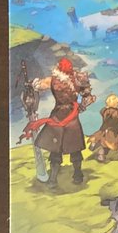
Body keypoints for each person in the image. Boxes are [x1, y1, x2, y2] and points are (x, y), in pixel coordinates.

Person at [21, 57, 95, 188]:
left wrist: (30, 84)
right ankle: (77, 175)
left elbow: (38, 85)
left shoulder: (53, 80)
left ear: (59, 68)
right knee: (74, 147)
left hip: (58, 115)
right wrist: (80, 106)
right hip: (72, 116)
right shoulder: (78, 79)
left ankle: (53, 179)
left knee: (56, 149)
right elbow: (87, 96)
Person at [87, 94, 118, 162]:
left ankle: (97, 148)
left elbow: (104, 109)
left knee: (104, 143)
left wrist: (109, 105)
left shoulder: (104, 111)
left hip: (102, 132)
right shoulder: (117, 113)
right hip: (112, 134)